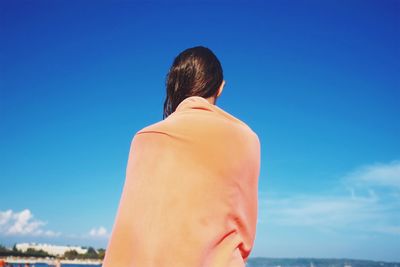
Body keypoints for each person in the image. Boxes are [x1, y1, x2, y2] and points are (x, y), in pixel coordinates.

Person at [103, 46, 261, 267]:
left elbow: (130, 231)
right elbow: (245, 235)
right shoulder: (245, 138)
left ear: (176, 85)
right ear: (220, 88)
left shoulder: (144, 138)